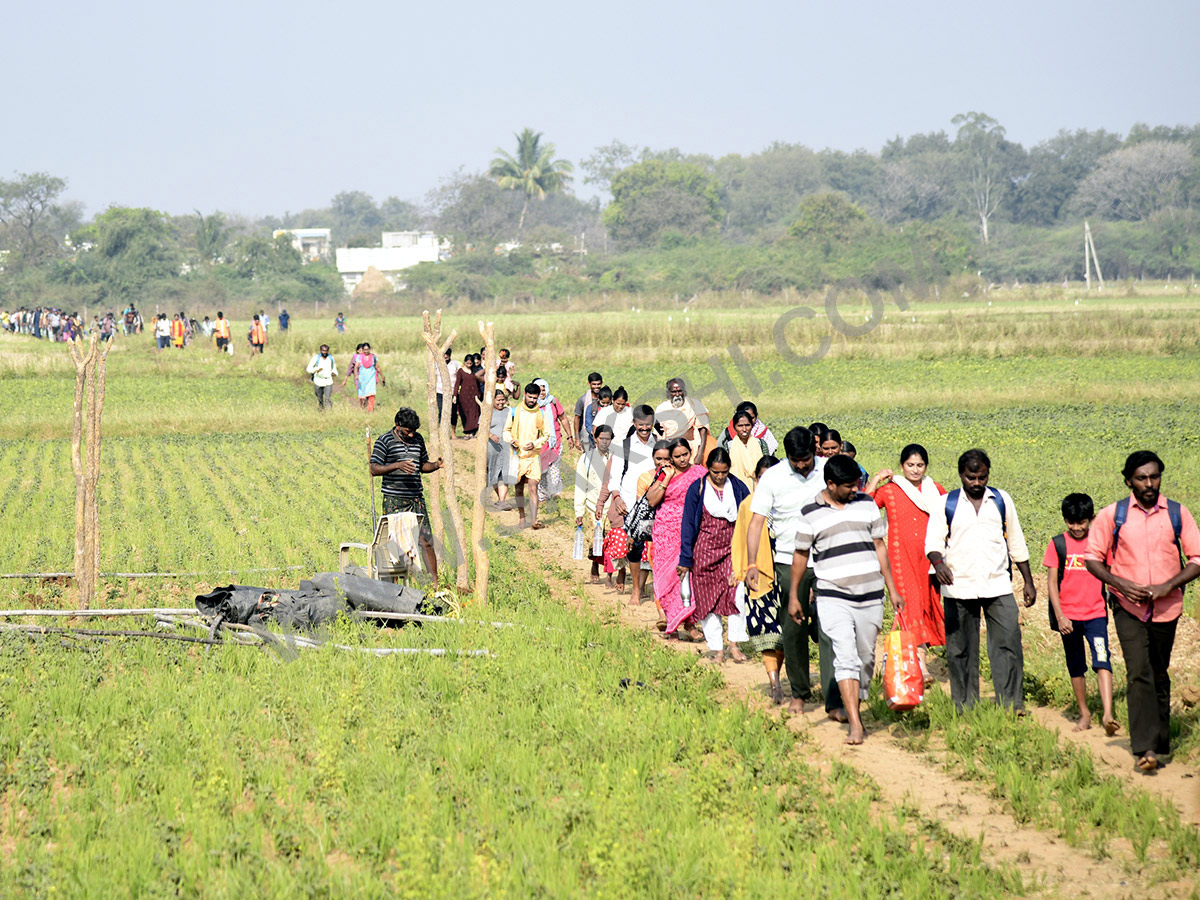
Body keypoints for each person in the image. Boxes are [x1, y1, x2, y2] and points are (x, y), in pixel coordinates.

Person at [1085, 451, 1200, 772]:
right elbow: (1092, 559)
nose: (1149, 483)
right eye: (1141, 478)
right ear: (1128, 481)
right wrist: (1119, 583)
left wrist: (1168, 586)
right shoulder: (1113, 515)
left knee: (1159, 672)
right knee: (1139, 672)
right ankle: (1145, 748)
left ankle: (1161, 740)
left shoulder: (1177, 513)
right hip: (1127, 607)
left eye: (1154, 477)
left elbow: (1197, 558)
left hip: (1169, 606)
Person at [791, 455, 904, 745]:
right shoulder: (809, 513)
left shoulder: (866, 504)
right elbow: (801, 555)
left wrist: (892, 589)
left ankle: (857, 698)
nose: (856, 490)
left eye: (857, 484)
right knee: (845, 655)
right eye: (849, 486)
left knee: (865, 657)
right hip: (832, 596)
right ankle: (855, 722)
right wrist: (794, 595)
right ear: (831, 484)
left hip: (870, 595)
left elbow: (880, 546)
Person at [925, 448, 1035, 714]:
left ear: (988, 474)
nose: (976, 483)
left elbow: (1016, 541)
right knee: (960, 649)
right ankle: (964, 706)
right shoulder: (946, 503)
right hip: (958, 585)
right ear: (961, 474)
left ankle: (1011, 704)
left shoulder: (1001, 500)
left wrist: (1028, 581)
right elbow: (932, 543)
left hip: (997, 584)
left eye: (981, 477)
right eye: (970, 477)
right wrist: (938, 564)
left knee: (1008, 643)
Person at [746, 428, 840, 716]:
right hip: (788, 560)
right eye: (795, 460)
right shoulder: (773, 477)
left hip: (826, 560)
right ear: (787, 455)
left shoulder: (827, 471)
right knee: (793, 625)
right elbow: (756, 522)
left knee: (829, 627)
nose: (802, 465)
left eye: (806, 458)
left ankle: (834, 697)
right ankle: (799, 692)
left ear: (815, 451)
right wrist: (752, 564)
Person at [866, 444, 947, 684]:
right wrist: (878, 478)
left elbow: (951, 516)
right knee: (910, 605)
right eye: (910, 465)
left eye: (920, 465)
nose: (915, 470)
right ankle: (920, 665)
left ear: (926, 466)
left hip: (930, 559)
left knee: (923, 605)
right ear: (902, 466)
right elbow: (865, 502)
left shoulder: (936, 491)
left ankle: (891, 660)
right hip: (900, 558)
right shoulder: (890, 490)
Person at [1044, 493, 1117, 735]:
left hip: (1096, 614)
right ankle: (1084, 713)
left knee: (1102, 659)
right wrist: (1060, 616)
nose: (1076, 528)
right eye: (1071, 522)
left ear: (1091, 519)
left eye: (1082, 522)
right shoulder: (1057, 544)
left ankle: (1108, 714)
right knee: (1076, 664)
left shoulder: (1100, 544)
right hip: (1069, 618)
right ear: (1065, 520)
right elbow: (1052, 583)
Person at [679, 447, 750, 662]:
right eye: (715, 472)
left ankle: (735, 644)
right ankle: (717, 648)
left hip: (732, 549)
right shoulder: (697, 489)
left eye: (724, 472)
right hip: (704, 551)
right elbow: (688, 525)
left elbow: (748, 518)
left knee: (737, 593)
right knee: (707, 599)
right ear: (708, 469)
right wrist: (685, 558)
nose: (720, 477)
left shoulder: (738, 487)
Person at [369, 408, 444, 581]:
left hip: (415, 497)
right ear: (398, 425)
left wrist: (435, 465)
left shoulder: (418, 439)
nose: (411, 435)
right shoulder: (384, 441)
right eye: (407, 431)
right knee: (393, 543)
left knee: (425, 540)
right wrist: (397, 465)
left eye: (413, 431)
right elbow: (373, 469)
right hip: (394, 498)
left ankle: (434, 582)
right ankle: (393, 582)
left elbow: (422, 465)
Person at [734, 455, 785, 701]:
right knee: (765, 629)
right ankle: (774, 683)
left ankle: (779, 673)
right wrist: (741, 571)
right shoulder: (748, 505)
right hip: (759, 575)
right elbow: (739, 541)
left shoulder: (788, 503)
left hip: (786, 573)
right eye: (762, 478)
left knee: (785, 632)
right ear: (755, 478)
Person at [646, 437, 707, 640]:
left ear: (691, 452)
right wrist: (667, 477)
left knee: (687, 575)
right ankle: (671, 621)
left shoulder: (700, 473)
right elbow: (652, 500)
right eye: (677, 456)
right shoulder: (664, 473)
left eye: (685, 455)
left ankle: (690, 622)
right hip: (666, 531)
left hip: (690, 529)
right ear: (671, 458)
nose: (682, 459)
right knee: (668, 578)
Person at [612, 407, 660, 606]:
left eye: (648, 427)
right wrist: (617, 498)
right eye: (641, 427)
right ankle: (636, 591)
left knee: (649, 547)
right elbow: (615, 475)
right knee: (634, 546)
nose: (645, 431)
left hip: (653, 503)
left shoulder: (659, 444)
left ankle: (640, 587)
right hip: (630, 503)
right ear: (634, 424)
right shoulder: (622, 445)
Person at [504, 382, 550, 529]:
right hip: (517, 455)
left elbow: (546, 434)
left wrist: (535, 443)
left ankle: (534, 520)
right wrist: (511, 440)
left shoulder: (540, 414)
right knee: (518, 489)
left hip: (533, 456)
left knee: (532, 488)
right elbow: (506, 430)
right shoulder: (513, 412)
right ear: (524, 395)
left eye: (535, 398)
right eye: (530, 397)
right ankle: (522, 517)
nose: (532, 400)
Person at [575, 424, 616, 585]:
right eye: (602, 438)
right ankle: (594, 565)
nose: (605, 442)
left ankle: (610, 574)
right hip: (592, 506)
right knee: (596, 540)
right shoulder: (586, 458)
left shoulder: (615, 458)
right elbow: (580, 485)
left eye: (608, 439)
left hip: (611, 506)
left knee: (611, 541)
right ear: (595, 438)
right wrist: (579, 511)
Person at [531, 378, 570, 508]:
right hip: (539, 444)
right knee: (541, 470)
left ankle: (554, 495)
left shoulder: (553, 401)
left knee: (554, 469)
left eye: (544, 389)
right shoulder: (531, 404)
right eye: (539, 390)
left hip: (555, 441)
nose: (542, 392)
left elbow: (563, 418)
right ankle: (541, 496)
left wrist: (570, 436)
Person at [655, 378, 712, 465]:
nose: (677, 395)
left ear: (684, 391)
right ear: (668, 393)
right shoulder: (660, 409)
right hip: (669, 449)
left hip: (691, 448)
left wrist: (700, 454)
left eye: (680, 391)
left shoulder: (695, 405)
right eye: (674, 392)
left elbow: (703, 430)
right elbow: (658, 435)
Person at [720, 409, 769, 488]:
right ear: (735, 427)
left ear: (752, 426)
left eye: (747, 425)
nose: (744, 429)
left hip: (759, 486)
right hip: (737, 487)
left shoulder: (760, 443)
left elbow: (767, 465)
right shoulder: (729, 446)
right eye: (740, 426)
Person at [486, 389, 516, 507]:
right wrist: (491, 435)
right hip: (492, 448)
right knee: (493, 472)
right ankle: (500, 498)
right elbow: (482, 429)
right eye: (498, 400)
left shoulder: (509, 411)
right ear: (493, 400)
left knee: (505, 472)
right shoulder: (488, 412)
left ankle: (502, 501)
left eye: (503, 399)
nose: (501, 402)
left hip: (506, 447)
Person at [345, 342, 383, 412]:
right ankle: (363, 409)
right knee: (363, 396)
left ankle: (370, 411)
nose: (366, 351)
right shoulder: (359, 357)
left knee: (371, 395)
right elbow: (356, 367)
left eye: (367, 349)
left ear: (369, 349)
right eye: (364, 349)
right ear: (363, 349)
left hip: (371, 379)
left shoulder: (373, 357)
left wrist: (382, 376)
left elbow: (377, 367)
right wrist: (356, 375)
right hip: (362, 380)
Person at [453, 354, 484, 438]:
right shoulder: (460, 371)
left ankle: (472, 432)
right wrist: (455, 396)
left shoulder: (475, 371)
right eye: (468, 363)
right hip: (464, 396)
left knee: (474, 413)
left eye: (471, 363)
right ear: (465, 362)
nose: (469, 365)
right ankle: (467, 432)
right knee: (465, 413)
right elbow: (457, 384)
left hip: (474, 396)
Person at [573, 373, 603, 451]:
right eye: (594, 384)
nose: (596, 387)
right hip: (587, 436)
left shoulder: (605, 399)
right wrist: (577, 438)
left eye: (598, 384)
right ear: (589, 384)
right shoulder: (583, 400)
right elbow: (577, 418)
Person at [306, 344, 338, 410]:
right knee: (320, 398)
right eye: (323, 351)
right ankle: (321, 410)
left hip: (328, 381)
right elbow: (308, 369)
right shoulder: (316, 358)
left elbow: (334, 368)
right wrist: (316, 370)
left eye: (326, 351)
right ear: (320, 351)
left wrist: (334, 373)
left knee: (328, 398)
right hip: (318, 381)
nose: (325, 352)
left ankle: (328, 412)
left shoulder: (331, 358)